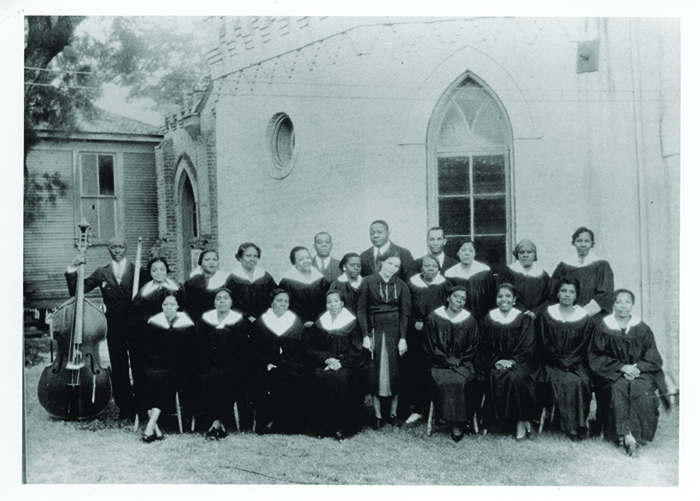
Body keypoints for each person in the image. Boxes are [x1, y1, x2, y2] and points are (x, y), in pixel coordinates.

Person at [65, 236, 148, 419]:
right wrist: (73, 267)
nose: (117, 250)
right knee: (119, 368)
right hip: (115, 327)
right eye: (113, 247)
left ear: (126, 248)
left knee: (139, 365)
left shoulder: (138, 271)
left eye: (120, 246)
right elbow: (77, 290)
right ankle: (125, 407)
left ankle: (141, 405)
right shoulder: (102, 272)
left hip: (136, 326)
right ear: (108, 249)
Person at [588, 289, 668, 456]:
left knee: (639, 389)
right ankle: (626, 435)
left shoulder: (642, 328)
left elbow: (653, 357)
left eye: (627, 302)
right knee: (619, 388)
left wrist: (636, 368)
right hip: (612, 372)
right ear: (613, 304)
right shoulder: (603, 326)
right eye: (619, 302)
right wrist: (622, 367)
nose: (623, 306)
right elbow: (596, 355)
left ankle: (634, 436)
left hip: (641, 372)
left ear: (632, 304)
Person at [357, 251, 411, 428]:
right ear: (381, 262)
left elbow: (405, 313)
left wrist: (403, 338)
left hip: (395, 332)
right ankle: (378, 415)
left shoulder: (401, 285)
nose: (392, 268)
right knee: (375, 373)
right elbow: (361, 311)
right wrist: (365, 336)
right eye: (390, 264)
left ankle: (393, 413)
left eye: (396, 266)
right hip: (375, 330)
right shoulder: (367, 282)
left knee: (395, 372)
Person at [129, 257, 187, 419]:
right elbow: (135, 322)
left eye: (162, 269)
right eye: (154, 270)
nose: (159, 273)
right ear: (150, 272)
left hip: (174, 339)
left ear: (167, 271)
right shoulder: (144, 293)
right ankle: (150, 413)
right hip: (151, 342)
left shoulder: (177, 289)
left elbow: (186, 314)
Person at [537, 277, 594, 441]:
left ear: (576, 295)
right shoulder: (547, 316)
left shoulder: (584, 318)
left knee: (583, 380)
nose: (567, 295)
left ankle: (580, 423)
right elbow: (543, 344)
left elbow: (586, 346)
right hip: (551, 363)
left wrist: (571, 361)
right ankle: (573, 427)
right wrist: (560, 362)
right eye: (563, 291)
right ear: (557, 293)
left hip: (577, 363)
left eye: (571, 292)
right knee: (570, 381)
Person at [480, 283, 540, 440]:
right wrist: (496, 361)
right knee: (498, 375)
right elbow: (483, 345)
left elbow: (528, 345)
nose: (503, 299)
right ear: (496, 299)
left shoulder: (523, 319)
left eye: (508, 296)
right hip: (494, 363)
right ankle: (516, 421)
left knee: (516, 377)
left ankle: (520, 420)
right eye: (500, 296)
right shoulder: (488, 319)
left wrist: (512, 361)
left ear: (514, 300)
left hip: (521, 362)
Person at [305, 291, 367, 440]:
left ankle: (342, 427)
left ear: (342, 303)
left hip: (346, 364)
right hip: (324, 362)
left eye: (335, 301)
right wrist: (327, 359)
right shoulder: (320, 322)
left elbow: (357, 350)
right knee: (317, 375)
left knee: (341, 379)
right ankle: (322, 427)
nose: (332, 305)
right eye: (329, 302)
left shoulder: (352, 323)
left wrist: (340, 362)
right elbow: (311, 348)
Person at [423, 286, 481, 441]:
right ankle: (451, 420)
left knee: (462, 381)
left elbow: (473, 346)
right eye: (456, 297)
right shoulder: (433, 318)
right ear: (448, 298)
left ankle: (458, 423)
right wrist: (447, 360)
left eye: (463, 299)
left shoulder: (469, 320)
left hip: (463, 363)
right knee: (445, 381)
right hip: (438, 363)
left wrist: (458, 360)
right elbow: (430, 345)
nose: (459, 301)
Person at [193, 288, 250, 440]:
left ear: (231, 302)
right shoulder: (204, 320)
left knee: (225, 377)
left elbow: (241, 348)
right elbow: (199, 345)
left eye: (226, 298)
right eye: (218, 298)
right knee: (207, 377)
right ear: (214, 302)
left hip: (232, 365)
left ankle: (215, 423)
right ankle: (219, 423)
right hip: (208, 364)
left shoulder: (239, 322)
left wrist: (223, 360)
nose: (222, 301)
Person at [249, 289, 308, 434]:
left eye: (286, 301)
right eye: (279, 300)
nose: (283, 304)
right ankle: (265, 421)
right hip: (265, 362)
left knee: (292, 377)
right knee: (260, 375)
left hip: (290, 361)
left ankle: (286, 424)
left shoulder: (295, 322)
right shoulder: (261, 322)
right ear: (271, 302)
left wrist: (285, 362)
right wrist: (267, 363)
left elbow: (300, 349)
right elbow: (256, 348)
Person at [403, 255, 452, 424]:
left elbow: (450, 309)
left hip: (438, 335)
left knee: (436, 371)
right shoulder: (412, 284)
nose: (430, 268)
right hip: (417, 335)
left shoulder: (445, 285)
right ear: (421, 268)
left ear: (438, 268)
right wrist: (414, 322)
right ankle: (417, 410)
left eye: (433, 266)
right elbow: (405, 308)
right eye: (426, 265)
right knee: (418, 372)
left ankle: (439, 411)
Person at [139, 293, 195, 442]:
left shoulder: (186, 323)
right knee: (145, 377)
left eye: (172, 304)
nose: (168, 308)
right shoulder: (154, 322)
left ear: (178, 306)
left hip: (177, 366)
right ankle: (154, 429)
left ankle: (151, 425)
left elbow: (188, 351)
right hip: (155, 363)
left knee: (165, 380)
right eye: (165, 305)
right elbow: (147, 349)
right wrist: (156, 361)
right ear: (161, 306)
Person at [549, 227, 614, 318]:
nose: (583, 245)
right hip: (568, 317)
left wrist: (582, 313)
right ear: (574, 243)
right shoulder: (564, 266)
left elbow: (604, 295)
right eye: (579, 241)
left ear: (592, 244)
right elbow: (554, 293)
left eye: (587, 241)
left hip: (594, 317)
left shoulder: (602, 265)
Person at [444, 239, 495, 321]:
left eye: (471, 250)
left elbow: (492, 299)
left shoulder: (485, 271)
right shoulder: (450, 274)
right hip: (459, 318)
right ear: (458, 253)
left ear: (475, 253)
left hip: (482, 317)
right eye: (463, 250)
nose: (467, 253)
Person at [225, 243, 277, 323]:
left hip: (265, 320)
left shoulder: (265, 276)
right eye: (248, 256)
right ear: (240, 258)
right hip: (241, 320)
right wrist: (247, 317)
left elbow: (275, 296)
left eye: (255, 256)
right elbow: (231, 303)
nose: (252, 259)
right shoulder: (233, 278)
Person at [278, 246, 330, 326]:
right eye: (301, 259)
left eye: (308, 258)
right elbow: (288, 306)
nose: (306, 261)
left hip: (321, 322)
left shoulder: (320, 278)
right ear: (294, 262)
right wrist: (303, 321)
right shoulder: (287, 282)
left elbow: (326, 301)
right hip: (297, 324)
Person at [499, 239, 550, 318]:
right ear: (517, 255)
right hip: (513, 316)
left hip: (536, 318)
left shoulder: (543, 276)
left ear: (534, 255)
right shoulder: (508, 273)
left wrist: (535, 312)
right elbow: (504, 295)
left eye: (529, 252)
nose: (525, 255)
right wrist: (523, 311)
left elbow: (548, 299)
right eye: (521, 252)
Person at [184, 249, 230, 322]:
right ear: (201, 262)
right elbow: (187, 305)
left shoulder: (226, 280)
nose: (211, 262)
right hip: (198, 321)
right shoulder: (192, 282)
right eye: (207, 260)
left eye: (214, 259)